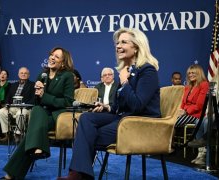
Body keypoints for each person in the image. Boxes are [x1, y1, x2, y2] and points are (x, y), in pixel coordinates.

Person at [58, 27, 161, 180]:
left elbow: (138, 105)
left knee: (87, 135)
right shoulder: (127, 70)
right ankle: (79, 175)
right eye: (117, 43)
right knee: (86, 118)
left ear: (137, 46)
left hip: (139, 123)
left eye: (124, 42)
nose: (118, 46)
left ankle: (78, 175)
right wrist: (108, 107)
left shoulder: (147, 71)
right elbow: (122, 105)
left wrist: (125, 82)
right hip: (124, 117)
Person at [0, 47, 75, 179]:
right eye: (51, 55)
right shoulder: (42, 75)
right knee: (37, 109)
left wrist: (44, 96)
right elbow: (37, 102)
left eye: (56, 56)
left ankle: (11, 175)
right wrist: (37, 94)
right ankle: (38, 148)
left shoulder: (67, 76)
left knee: (32, 131)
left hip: (57, 116)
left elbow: (68, 102)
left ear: (63, 62)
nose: (52, 57)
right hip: (41, 114)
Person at [0, 67, 35, 142]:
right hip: (13, 107)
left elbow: (33, 99)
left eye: (25, 73)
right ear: (18, 74)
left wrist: (25, 105)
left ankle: (18, 134)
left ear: (29, 75)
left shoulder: (32, 85)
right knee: (1, 112)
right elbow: (8, 96)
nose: (23, 74)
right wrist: (7, 104)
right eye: (21, 73)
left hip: (25, 108)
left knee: (20, 113)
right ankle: (7, 134)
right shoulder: (13, 85)